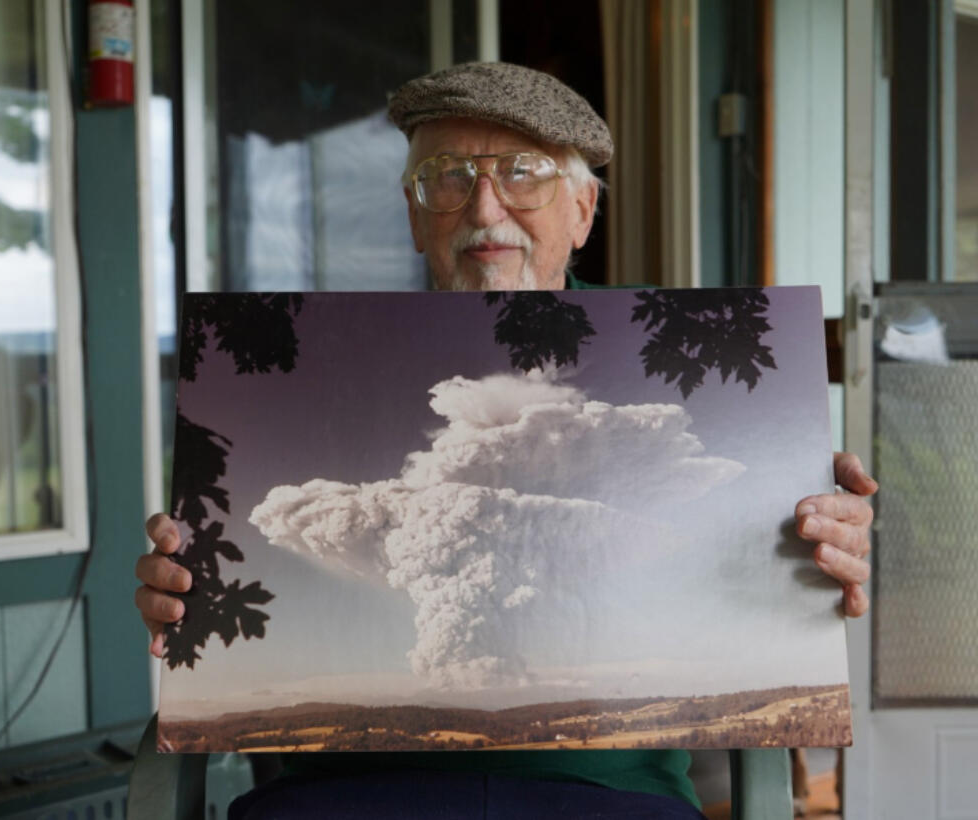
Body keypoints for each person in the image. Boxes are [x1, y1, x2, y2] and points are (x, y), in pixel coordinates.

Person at [136, 62, 876, 819]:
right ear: (416, 212)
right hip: (344, 788)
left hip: (607, 791)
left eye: (524, 174)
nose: (485, 208)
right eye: (447, 177)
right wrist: (180, 588)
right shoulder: (316, 354)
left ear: (584, 210)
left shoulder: (696, 385)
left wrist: (819, 535)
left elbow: (762, 555)